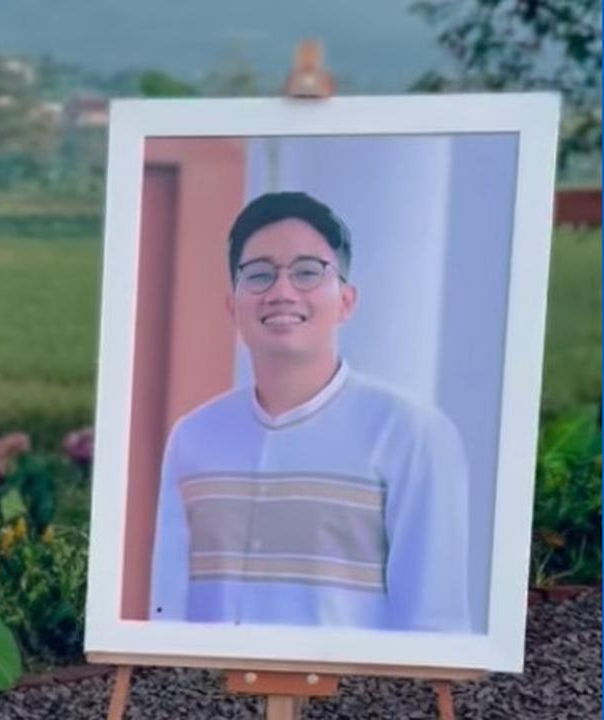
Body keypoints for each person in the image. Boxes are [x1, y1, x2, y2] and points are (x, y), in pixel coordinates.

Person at [148, 191, 472, 633]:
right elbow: (168, 605)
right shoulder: (194, 436)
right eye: (259, 275)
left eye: (307, 273)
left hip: (354, 697)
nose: (282, 292)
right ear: (232, 306)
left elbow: (434, 621)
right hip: (211, 696)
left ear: (347, 300)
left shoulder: (410, 433)